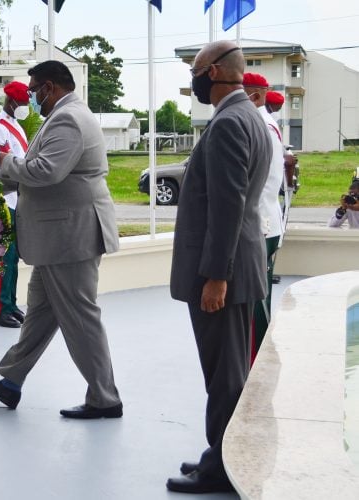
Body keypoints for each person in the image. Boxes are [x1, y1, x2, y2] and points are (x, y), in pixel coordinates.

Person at [0, 60, 122, 419]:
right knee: (39, 313)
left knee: (81, 318)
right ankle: (11, 381)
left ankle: (105, 398)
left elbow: (46, 171)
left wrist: (6, 163)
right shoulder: (65, 116)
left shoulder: (69, 119)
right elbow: (43, 170)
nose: (31, 97)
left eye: (34, 90)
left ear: (51, 87)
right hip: (61, 238)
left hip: (70, 237)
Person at [167, 41, 271, 494]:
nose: (193, 77)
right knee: (229, 373)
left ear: (212, 72)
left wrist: (216, 276)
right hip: (236, 264)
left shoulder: (230, 122)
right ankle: (223, 454)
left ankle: (224, 470)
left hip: (222, 272)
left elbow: (228, 208)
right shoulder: (247, 115)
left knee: (225, 377)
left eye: (195, 69)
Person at [243, 72, 285, 361]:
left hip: (260, 224)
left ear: (255, 95)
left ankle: (256, 364)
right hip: (265, 222)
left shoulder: (261, 125)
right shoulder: (264, 123)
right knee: (258, 298)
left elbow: (260, 180)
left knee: (256, 303)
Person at [0, 81, 31, 328]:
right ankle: (0, 310)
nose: (26, 107)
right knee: (4, 256)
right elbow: (3, 162)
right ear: (12, 102)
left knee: (12, 257)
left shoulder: (17, 127)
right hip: (3, 197)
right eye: (23, 103)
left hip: (17, 196)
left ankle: (11, 305)